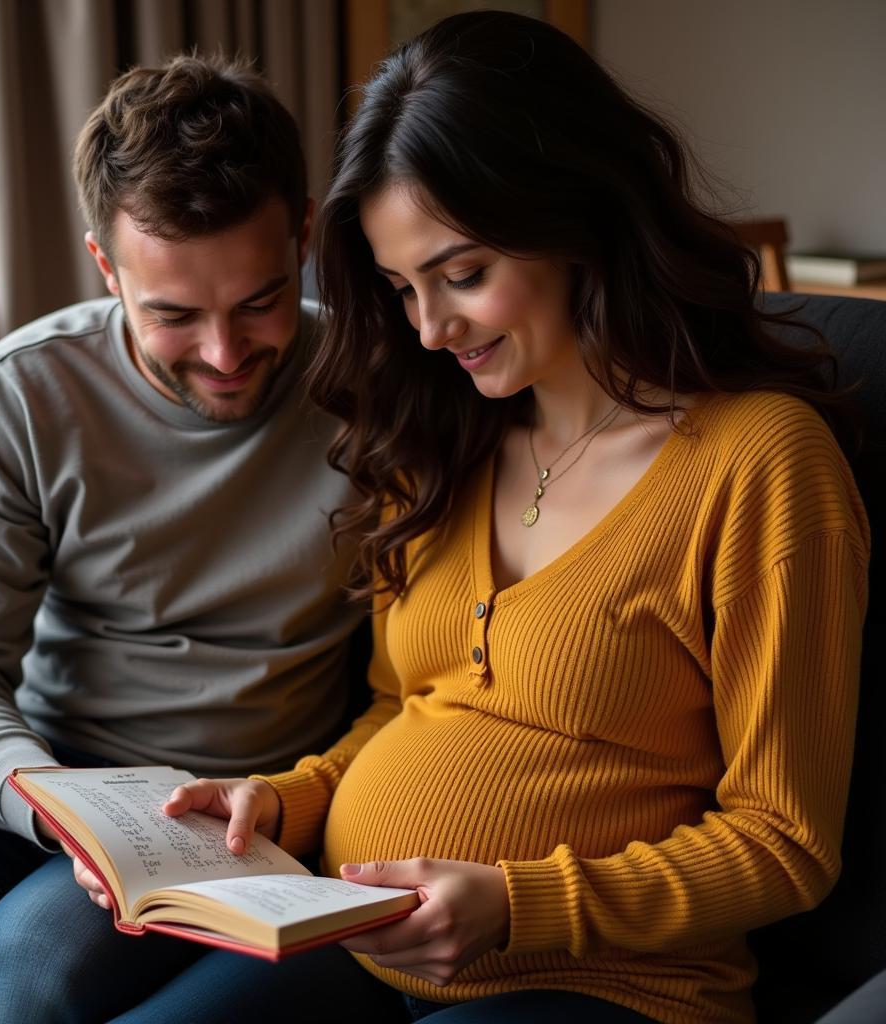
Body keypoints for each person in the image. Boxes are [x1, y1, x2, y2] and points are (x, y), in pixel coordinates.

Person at [97, 11, 871, 1024]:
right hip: (356, 939)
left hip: (605, 984)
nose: (428, 327)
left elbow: (785, 842)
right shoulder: (446, 438)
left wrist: (515, 903)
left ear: (577, 217)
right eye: (400, 287)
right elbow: (400, 709)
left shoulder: (757, 463)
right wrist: (286, 797)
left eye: (462, 275)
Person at [0, 54, 365, 1022]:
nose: (226, 355)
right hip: (36, 758)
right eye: (174, 314)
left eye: (261, 300)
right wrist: (50, 796)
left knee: (32, 974)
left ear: (302, 234)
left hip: (222, 809)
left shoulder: (375, 393)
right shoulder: (22, 393)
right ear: (104, 263)